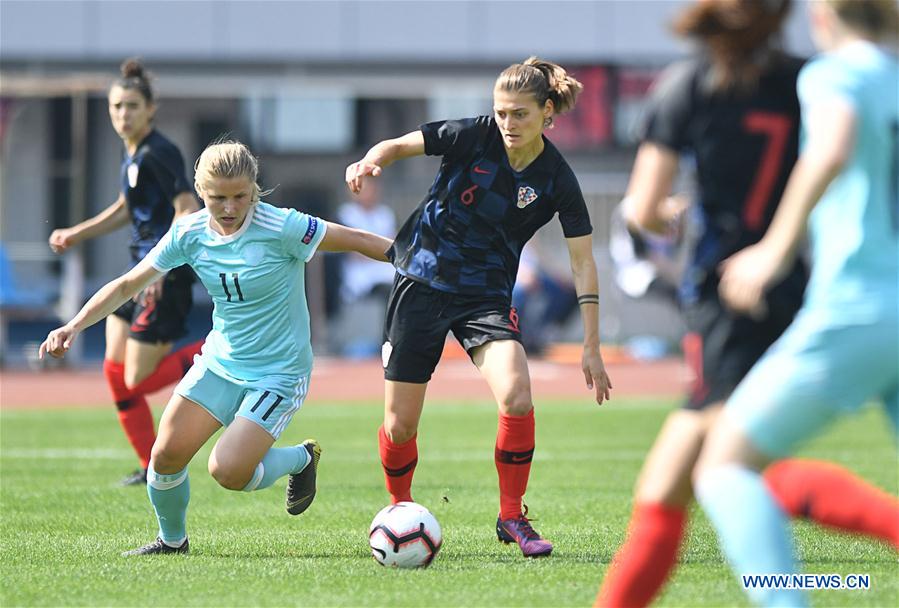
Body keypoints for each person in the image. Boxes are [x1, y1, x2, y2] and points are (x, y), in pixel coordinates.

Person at [596, 2, 898, 606]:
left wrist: (674, 217)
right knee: (672, 480)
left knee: (724, 467)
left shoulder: (690, 83)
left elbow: (641, 208)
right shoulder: (805, 77)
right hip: (800, 290)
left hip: (735, 289)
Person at [39, 140, 394, 555]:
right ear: (200, 192)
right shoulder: (188, 233)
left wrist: (419, 262)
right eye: (217, 198)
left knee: (226, 470)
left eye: (240, 196)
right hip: (220, 363)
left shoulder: (282, 227)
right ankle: (172, 542)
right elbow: (126, 284)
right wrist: (74, 326)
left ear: (254, 190)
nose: (229, 207)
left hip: (278, 373)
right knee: (165, 455)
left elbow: (354, 238)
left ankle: (300, 459)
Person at [346, 57, 613, 558]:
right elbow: (402, 143)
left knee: (516, 394)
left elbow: (582, 263)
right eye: (501, 112)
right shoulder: (473, 135)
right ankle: (400, 510)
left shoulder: (557, 178)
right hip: (420, 283)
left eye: (520, 114)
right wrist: (370, 160)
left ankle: (512, 517)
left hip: (485, 296)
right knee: (400, 425)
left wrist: (591, 345)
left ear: (548, 112)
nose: (507, 124)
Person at [693, 1, 899, 605]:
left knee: (724, 466)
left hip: (860, 307)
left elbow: (831, 147)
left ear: (824, 16)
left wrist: (774, 250)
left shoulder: (834, 72)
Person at [48, 58, 203, 485]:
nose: (123, 114)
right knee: (115, 374)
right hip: (138, 273)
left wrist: (158, 272)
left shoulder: (159, 152)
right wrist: (79, 233)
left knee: (136, 378)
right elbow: (125, 206)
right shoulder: (132, 151)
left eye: (132, 106)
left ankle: (211, 354)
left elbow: (187, 210)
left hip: (162, 277)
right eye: (117, 106)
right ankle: (150, 465)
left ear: (150, 109)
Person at [334, 180, 397, 357]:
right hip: (360, 274)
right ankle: (385, 340)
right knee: (386, 289)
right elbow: (351, 251)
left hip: (385, 267)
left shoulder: (385, 214)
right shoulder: (346, 214)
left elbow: (393, 245)